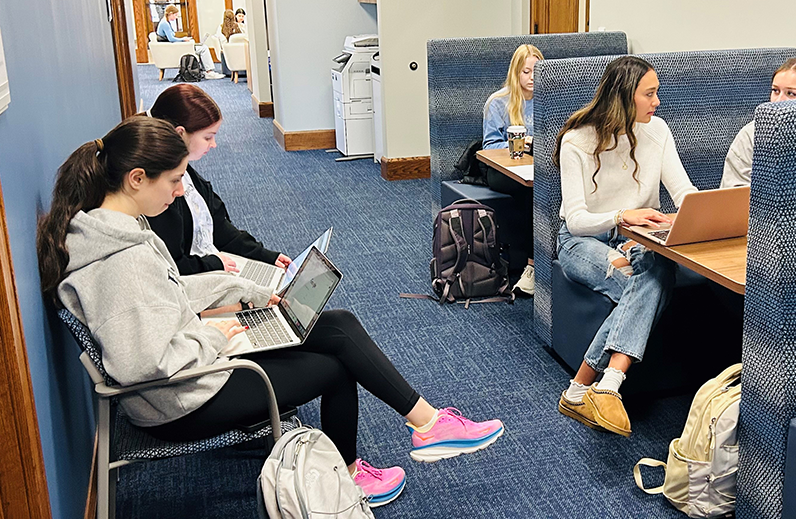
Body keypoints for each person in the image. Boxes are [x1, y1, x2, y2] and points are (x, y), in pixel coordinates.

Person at [36, 117, 505, 508]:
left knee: (338, 324)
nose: (180, 192)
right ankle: (353, 475)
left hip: (191, 366)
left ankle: (426, 424)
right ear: (137, 178)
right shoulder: (122, 261)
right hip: (180, 397)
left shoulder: (113, 228)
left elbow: (170, 293)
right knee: (334, 369)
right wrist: (222, 335)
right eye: (175, 180)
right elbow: (142, 362)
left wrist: (243, 290)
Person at [553, 56, 697, 437]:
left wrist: (701, 213)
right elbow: (575, 218)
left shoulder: (658, 131)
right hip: (583, 241)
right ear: (623, 96)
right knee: (644, 286)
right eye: (650, 94)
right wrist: (622, 216)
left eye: (657, 93)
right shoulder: (577, 140)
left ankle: (591, 387)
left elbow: (682, 192)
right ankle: (598, 385)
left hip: (639, 237)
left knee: (661, 268)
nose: (657, 102)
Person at [144, 84, 278, 275]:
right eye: (208, 137)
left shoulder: (186, 174)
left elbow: (219, 226)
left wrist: (265, 256)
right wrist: (213, 264)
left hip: (212, 266)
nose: (213, 144)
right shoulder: (159, 192)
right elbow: (172, 266)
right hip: (197, 280)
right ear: (179, 134)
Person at [482, 44, 544, 295]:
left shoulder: (546, 101)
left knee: (543, 189)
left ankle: (545, 262)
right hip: (501, 170)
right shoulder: (498, 103)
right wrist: (522, 143)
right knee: (531, 193)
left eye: (536, 72)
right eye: (526, 72)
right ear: (516, 73)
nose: (531, 78)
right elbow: (489, 146)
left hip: (534, 169)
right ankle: (531, 266)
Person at [720, 56, 796, 188]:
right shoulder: (752, 136)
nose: (778, 101)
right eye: (775, 91)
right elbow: (734, 198)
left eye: (791, 94)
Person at [155, 5, 224, 80]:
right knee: (204, 48)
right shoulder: (165, 24)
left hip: (173, 47)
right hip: (175, 49)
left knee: (200, 47)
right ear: (170, 13)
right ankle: (209, 71)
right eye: (175, 15)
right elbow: (171, 39)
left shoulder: (165, 22)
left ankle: (206, 71)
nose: (176, 17)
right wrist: (183, 40)